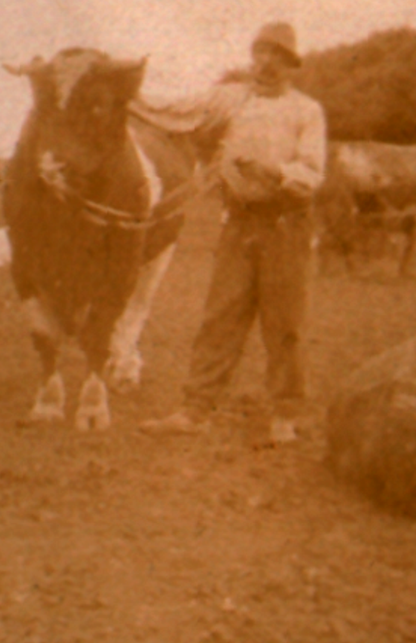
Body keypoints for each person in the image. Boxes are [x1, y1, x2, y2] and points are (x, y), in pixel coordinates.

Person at [135, 22, 327, 443]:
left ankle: (285, 417)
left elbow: (312, 173)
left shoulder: (305, 111)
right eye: (260, 53)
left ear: (290, 66)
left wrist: (275, 172)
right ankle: (195, 410)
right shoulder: (231, 99)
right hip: (238, 223)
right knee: (219, 318)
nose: (266, 64)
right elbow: (179, 110)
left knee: (284, 323)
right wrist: (131, 98)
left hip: (286, 225)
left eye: (277, 57)